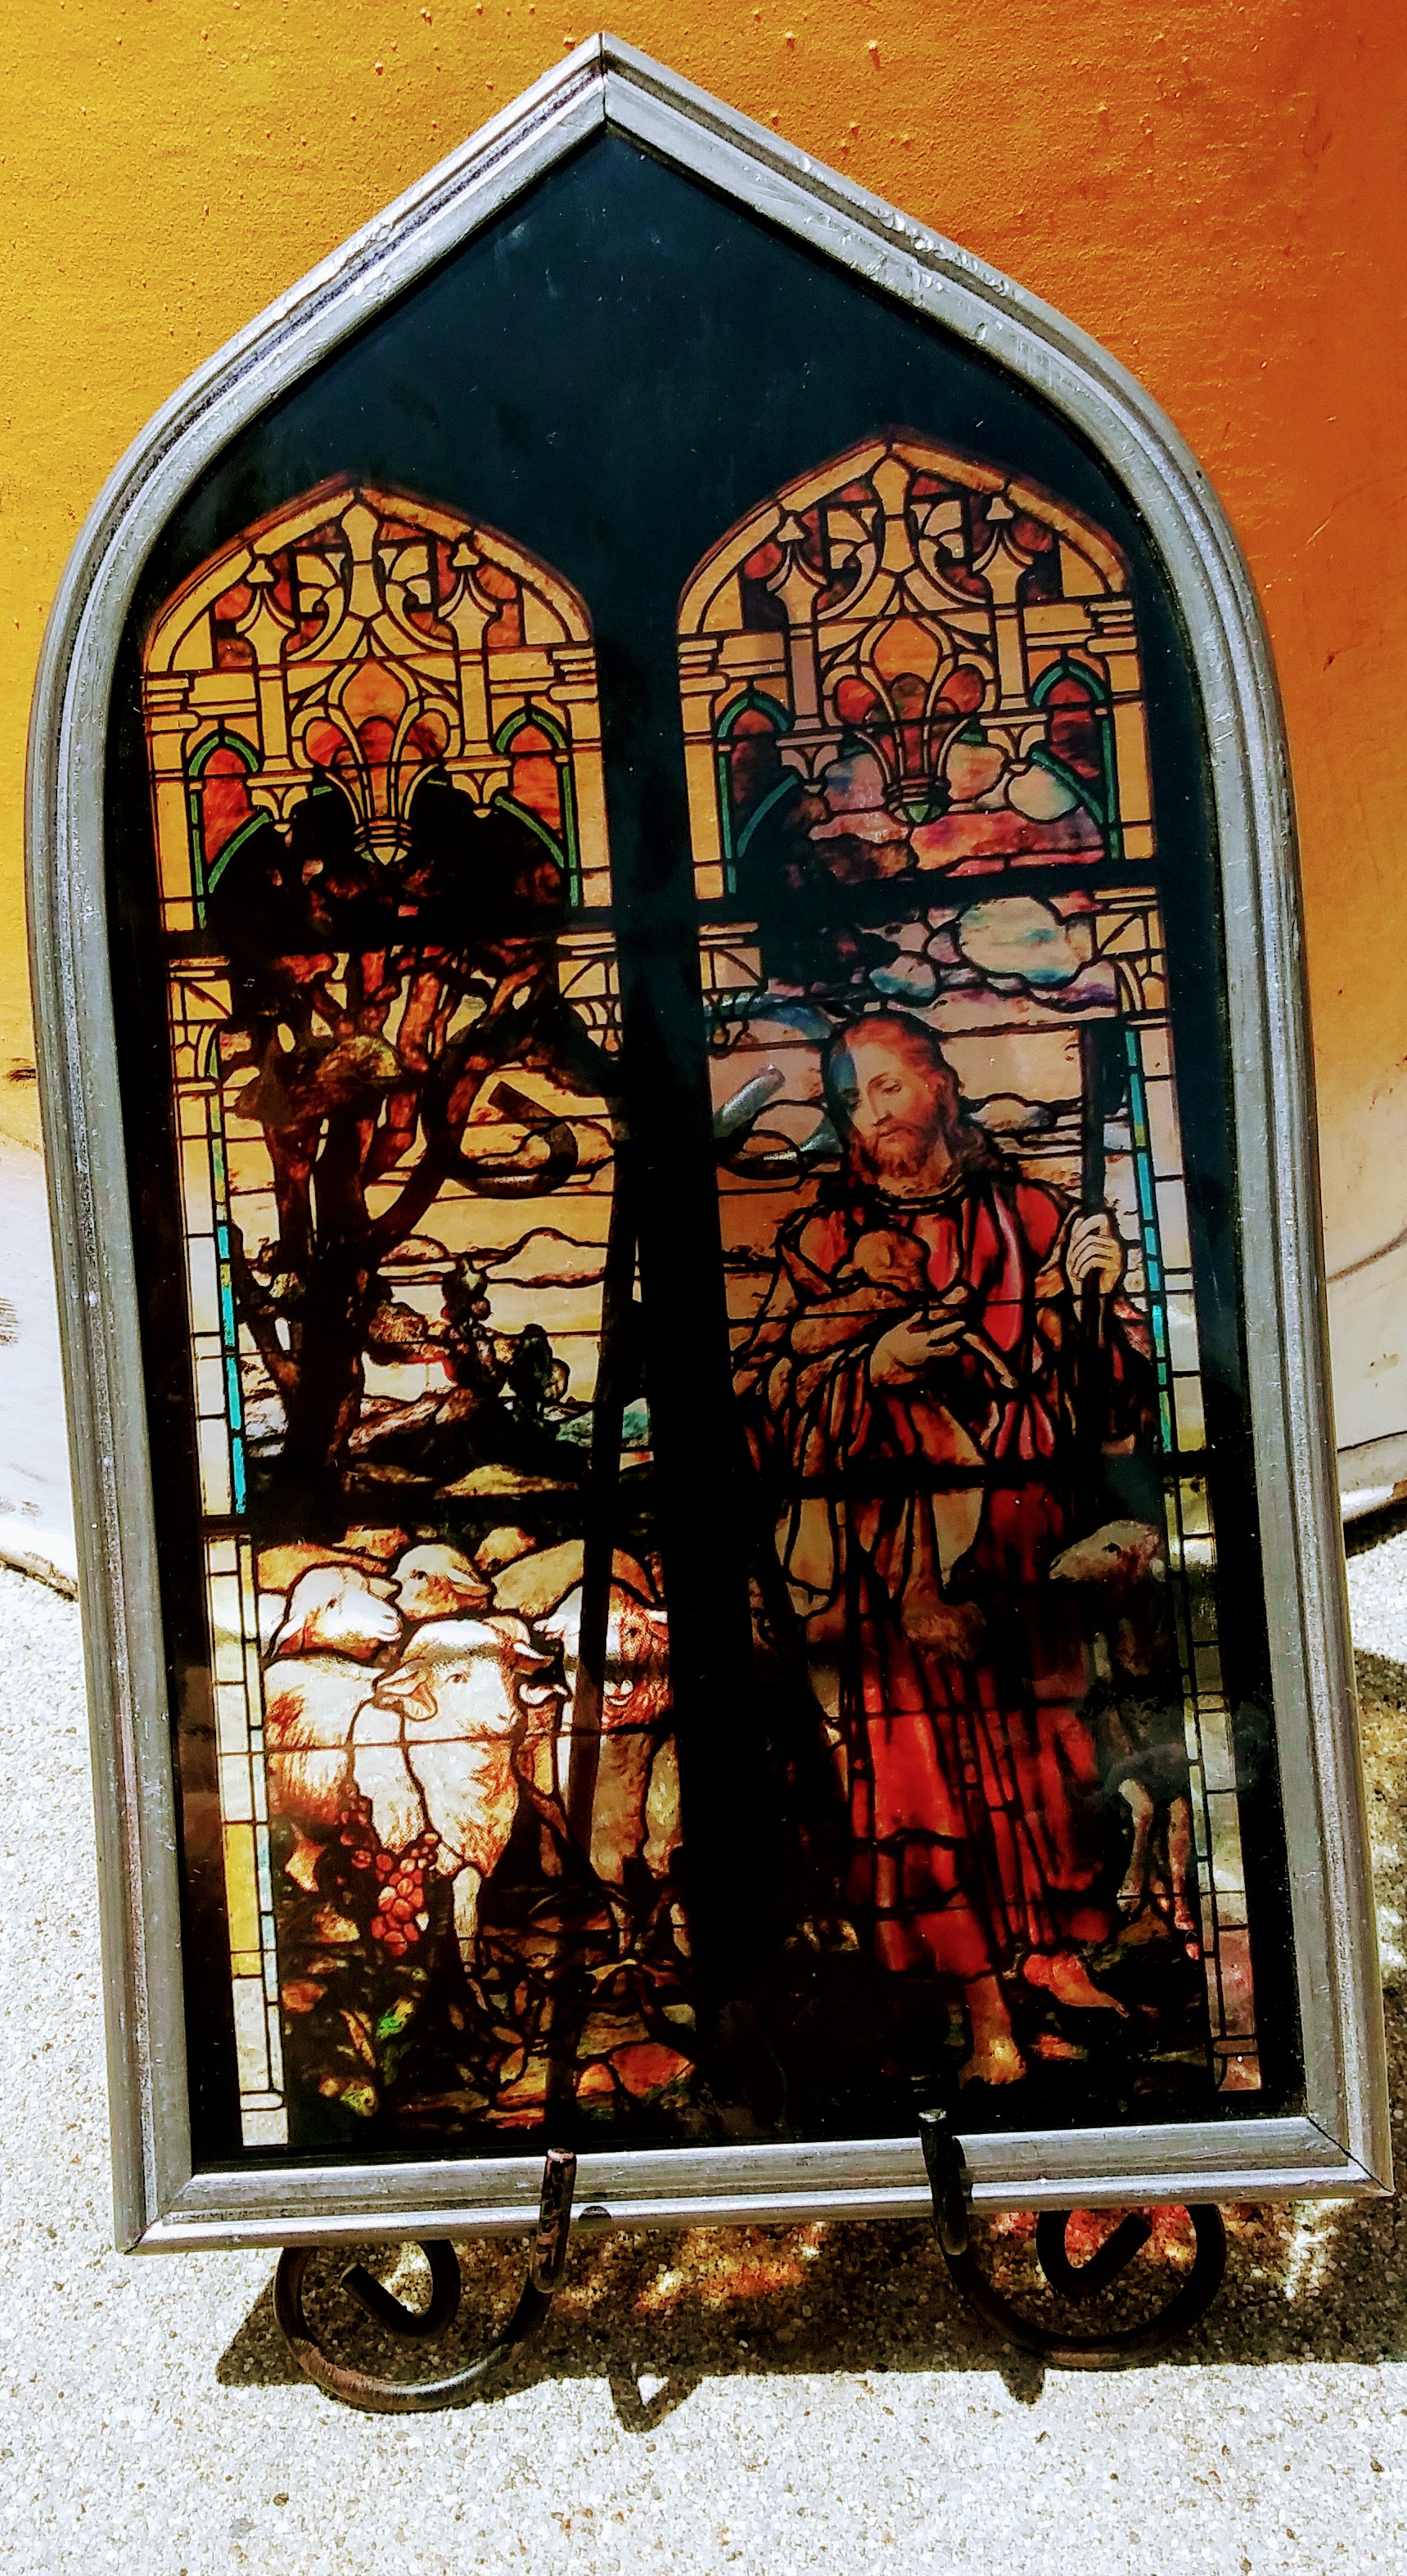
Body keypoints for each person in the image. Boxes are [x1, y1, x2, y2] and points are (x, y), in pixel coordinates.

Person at [733, 1009, 1156, 2084]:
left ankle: (1056, 1965)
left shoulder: (1035, 1216)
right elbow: (763, 1407)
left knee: (1050, 1769)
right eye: (850, 1099)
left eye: (887, 1087)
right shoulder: (820, 1244)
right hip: (892, 1574)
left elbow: (1113, 1411)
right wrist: (873, 1366)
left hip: (1028, 1547)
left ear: (941, 1085)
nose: (870, 1116)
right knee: (925, 1788)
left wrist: (1093, 1297)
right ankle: (986, 2020)